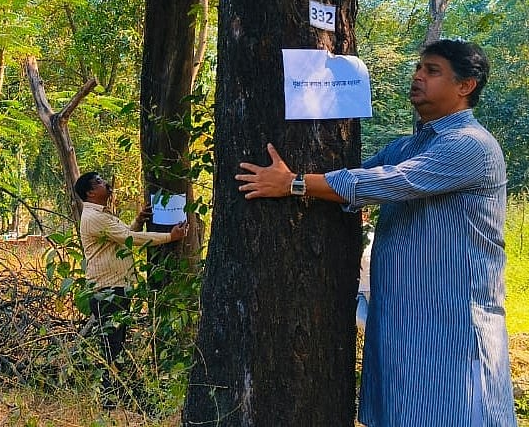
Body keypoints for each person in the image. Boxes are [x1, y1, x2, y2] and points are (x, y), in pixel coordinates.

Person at [235, 39, 516, 426]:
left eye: (432, 71)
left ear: (465, 85)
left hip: (453, 322)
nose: (418, 76)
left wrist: (293, 184)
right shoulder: (408, 146)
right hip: (404, 318)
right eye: (419, 67)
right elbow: (356, 179)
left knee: (460, 413)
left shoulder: (470, 146)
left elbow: (382, 184)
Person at [74, 171, 186, 408]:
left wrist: (138, 219)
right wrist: (170, 236)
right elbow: (129, 239)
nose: (106, 183)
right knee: (113, 348)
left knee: (116, 345)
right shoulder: (95, 218)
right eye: (99, 182)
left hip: (115, 289)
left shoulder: (103, 215)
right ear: (91, 193)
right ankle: (111, 401)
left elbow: (122, 235)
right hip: (107, 291)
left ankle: (118, 397)